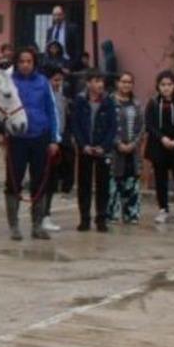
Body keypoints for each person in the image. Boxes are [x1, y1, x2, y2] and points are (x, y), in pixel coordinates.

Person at [4, 45, 60, 241]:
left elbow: (52, 111)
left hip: (40, 138)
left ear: (34, 63)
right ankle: (14, 226)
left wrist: (54, 138)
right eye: (22, 61)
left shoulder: (43, 82)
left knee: (39, 182)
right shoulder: (9, 82)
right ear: (16, 63)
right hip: (17, 139)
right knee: (13, 182)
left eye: (29, 61)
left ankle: (37, 225)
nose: (25, 65)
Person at [70, 70, 117, 231]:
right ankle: (84, 218)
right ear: (88, 83)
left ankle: (101, 218)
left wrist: (104, 146)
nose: (100, 85)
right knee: (84, 185)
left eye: (101, 81)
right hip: (85, 149)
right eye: (96, 81)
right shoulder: (79, 101)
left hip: (102, 149)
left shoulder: (108, 102)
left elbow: (112, 127)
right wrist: (83, 145)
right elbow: (75, 125)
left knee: (103, 185)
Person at [144, 70, 174, 224]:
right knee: (160, 178)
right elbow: (149, 125)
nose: (166, 88)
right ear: (158, 86)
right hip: (159, 146)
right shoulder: (153, 103)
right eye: (163, 85)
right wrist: (162, 138)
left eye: (169, 84)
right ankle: (163, 209)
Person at [108, 71, 143, 223]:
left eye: (129, 82)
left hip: (132, 152)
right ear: (118, 83)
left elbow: (141, 127)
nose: (126, 85)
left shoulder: (137, 104)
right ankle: (112, 214)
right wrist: (118, 143)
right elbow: (108, 126)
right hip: (114, 152)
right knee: (114, 182)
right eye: (123, 81)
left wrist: (133, 144)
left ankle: (131, 214)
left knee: (132, 182)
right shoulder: (109, 102)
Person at [41, 67, 73, 232]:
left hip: (60, 142)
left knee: (53, 181)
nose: (58, 83)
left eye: (60, 80)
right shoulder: (44, 96)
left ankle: (46, 214)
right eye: (55, 80)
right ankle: (40, 214)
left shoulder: (63, 98)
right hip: (45, 143)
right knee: (43, 180)